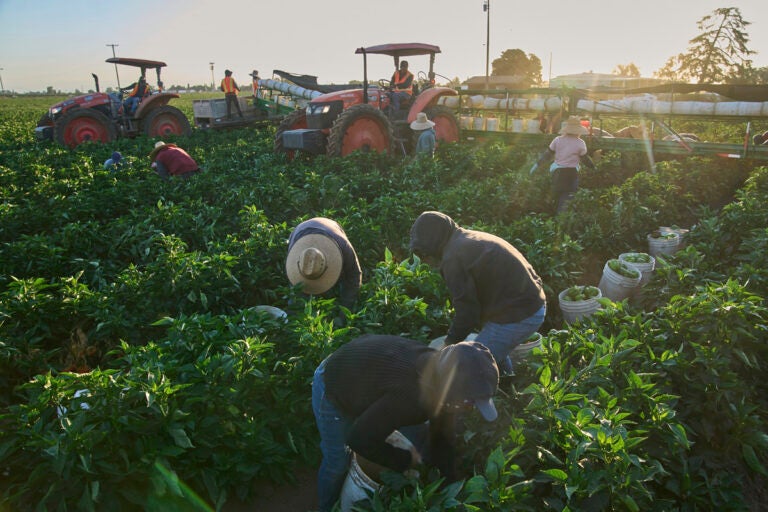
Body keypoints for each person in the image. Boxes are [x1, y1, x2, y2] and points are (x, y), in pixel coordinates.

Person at [312, 334, 499, 512]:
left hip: (369, 378)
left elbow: (442, 435)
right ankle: (326, 507)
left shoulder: (442, 372)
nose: (470, 408)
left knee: (422, 440)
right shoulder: (408, 397)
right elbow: (358, 439)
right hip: (334, 382)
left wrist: (448, 481)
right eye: (469, 402)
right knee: (336, 460)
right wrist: (405, 462)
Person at [409, 211, 546, 375]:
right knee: (493, 351)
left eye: (423, 254)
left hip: (520, 315)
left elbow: (467, 312)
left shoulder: (453, 259)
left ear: (432, 244)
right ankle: (508, 385)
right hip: (531, 304)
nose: (425, 260)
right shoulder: (466, 238)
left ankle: (491, 397)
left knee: (474, 365)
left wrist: (449, 343)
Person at [286, 217, 362, 310]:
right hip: (299, 230)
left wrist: (346, 308)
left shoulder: (343, 245)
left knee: (344, 281)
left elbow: (354, 275)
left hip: (332, 228)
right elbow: (295, 287)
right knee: (298, 294)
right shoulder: (294, 249)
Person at [530, 116, 596, 213]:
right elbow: (585, 159)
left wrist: (536, 165)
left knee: (556, 197)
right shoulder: (580, 143)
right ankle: (561, 222)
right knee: (566, 200)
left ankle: (550, 220)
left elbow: (547, 155)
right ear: (578, 131)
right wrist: (594, 167)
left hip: (557, 173)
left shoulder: (557, 140)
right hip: (571, 175)